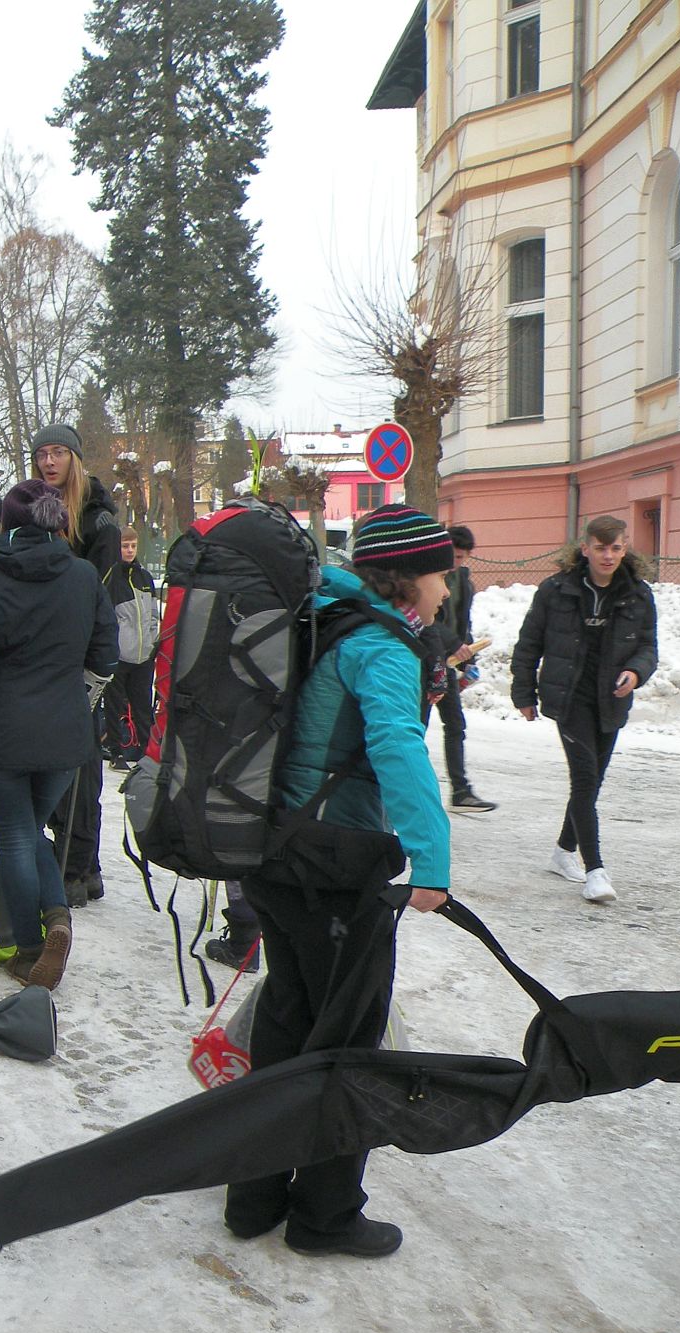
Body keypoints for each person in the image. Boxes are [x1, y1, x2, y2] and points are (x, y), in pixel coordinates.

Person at [223, 503, 454, 1260]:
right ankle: (324, 1215)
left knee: (287, 1024)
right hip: (334, 867)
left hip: (277, 852)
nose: (447, 591)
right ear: (408, 579)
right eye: (441, 575)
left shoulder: (327, 619)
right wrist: (432, 860)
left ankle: (254, 1195)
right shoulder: (380, 645)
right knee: (348, 1041)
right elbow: (395, 745)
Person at [0, 478, 119, 990]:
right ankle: (57, 917)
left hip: (2, 731)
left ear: (7, 523)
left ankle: (30, 947)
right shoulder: (85, 576)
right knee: (31, 829)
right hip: (66, 731)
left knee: (16, 836)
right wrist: (79, 705)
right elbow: (105, 660)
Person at [510, 515, 658, 905]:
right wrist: (523, 692)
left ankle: (563, 850)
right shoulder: (556, 590)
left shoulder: (638, 594)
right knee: (585, 778)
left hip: (611, 699)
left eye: (616, 548)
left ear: (625, 549)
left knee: (592, 783)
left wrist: (635, 672)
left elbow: (648, 647)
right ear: (585, 549)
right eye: (600, 548)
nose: (608, 555)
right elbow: (529, 643)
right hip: (569, 696)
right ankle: (595, 871)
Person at [30, 423, 126, 905]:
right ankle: (81, 865)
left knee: (81, 764)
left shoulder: (98, 520)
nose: (49, 462)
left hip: (81, 657)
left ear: (75, 458)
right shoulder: (38, 510)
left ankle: (78, 866)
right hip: (43, 654)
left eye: (58, 453)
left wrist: (89, 659)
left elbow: (100, 599)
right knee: (54, 759)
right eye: (42, 454)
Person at [430, 525, 496, 814]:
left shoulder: (463, 581)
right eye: (455, 556)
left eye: (462, 557)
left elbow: (462, 623)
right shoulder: (431, 576)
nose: (457, 562)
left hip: (449, 663)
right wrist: (454, 644)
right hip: (428, 661)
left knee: (455, 725)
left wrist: (469, 658)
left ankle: (460, 790)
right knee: (415, 727)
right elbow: (428, 620)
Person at [104, 525, 159, 769]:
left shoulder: (144, 577)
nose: (129, 550)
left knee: (143, 706)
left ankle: (146, 751)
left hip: (143, 655)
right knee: (114, 705)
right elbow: (106, 615)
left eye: (133, 546)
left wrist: (152, 642)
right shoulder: (112, 577)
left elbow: (153, 614)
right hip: (119, 655)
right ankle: (116, 751)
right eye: (125, 546)